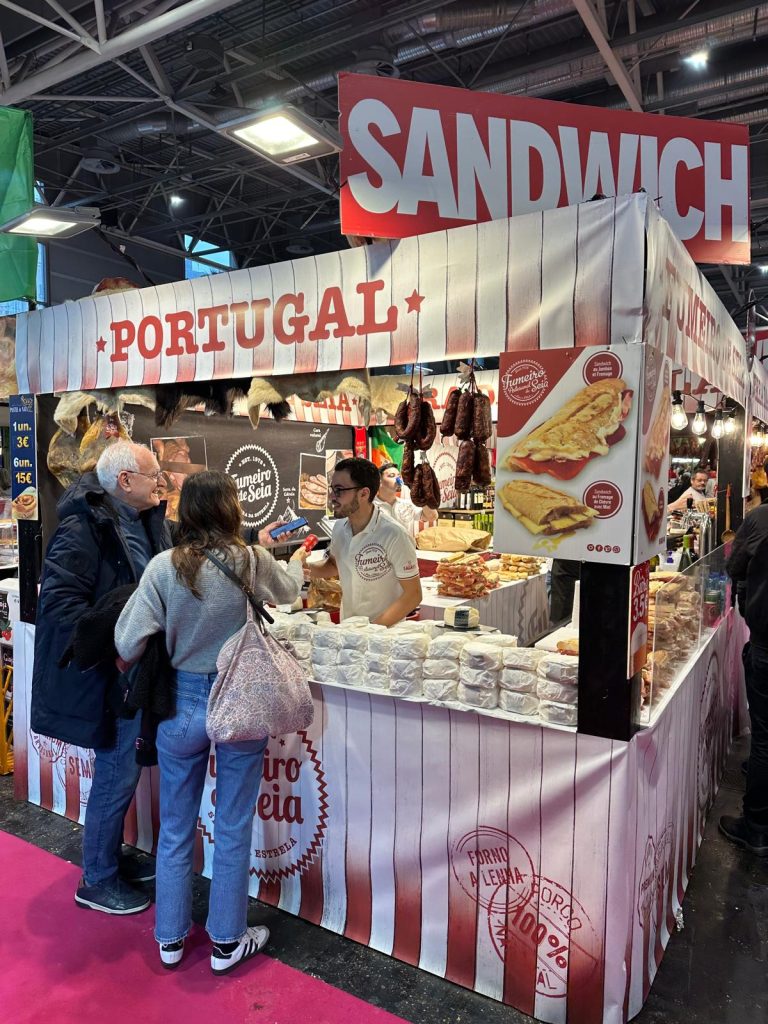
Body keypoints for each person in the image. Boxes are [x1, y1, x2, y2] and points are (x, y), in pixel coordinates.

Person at [115, 471, 305, 972]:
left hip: (180, 704)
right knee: (234, 824)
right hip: (239, 699)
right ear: (230, 509)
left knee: (175, 827)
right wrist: (297, 560)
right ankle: (226, 941)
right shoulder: (250, 559)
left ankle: (170, 939)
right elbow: (289, 591)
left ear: (186, 512)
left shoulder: (162, 567)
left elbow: (126, 639)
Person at [31, 441, 172, 915]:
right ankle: (96, 879)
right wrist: (118, 644)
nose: (162, 482)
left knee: (123, 771)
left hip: (136, 670)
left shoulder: (143, 520)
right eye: (154, 474)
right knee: (115, 773)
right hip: (111, 677)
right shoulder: (83, 528)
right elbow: (60, 608)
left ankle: (107, 857)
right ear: (126, 481)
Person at [307, 457, 422, 626]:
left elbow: (413, 595)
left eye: (339, 490)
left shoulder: (394, 534)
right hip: (349, 631)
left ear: (364, 494)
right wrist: (301, 568)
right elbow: (333, 565)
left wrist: (372, 630)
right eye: (332, 489)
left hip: (384, 635)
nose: (332, 496)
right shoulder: (340, 527)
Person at [724, 502, 768, 856]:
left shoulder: (761, 518)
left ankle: (757, 829)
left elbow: (733, 565)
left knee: (765, 740)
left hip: (767, 643)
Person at [375, 461, 438, 535]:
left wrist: (421, 494)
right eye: (392, 475)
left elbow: (432, 516)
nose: (397, 479)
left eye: (398, 476)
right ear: (379, 482)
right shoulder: (371, 506)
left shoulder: (407, 504)